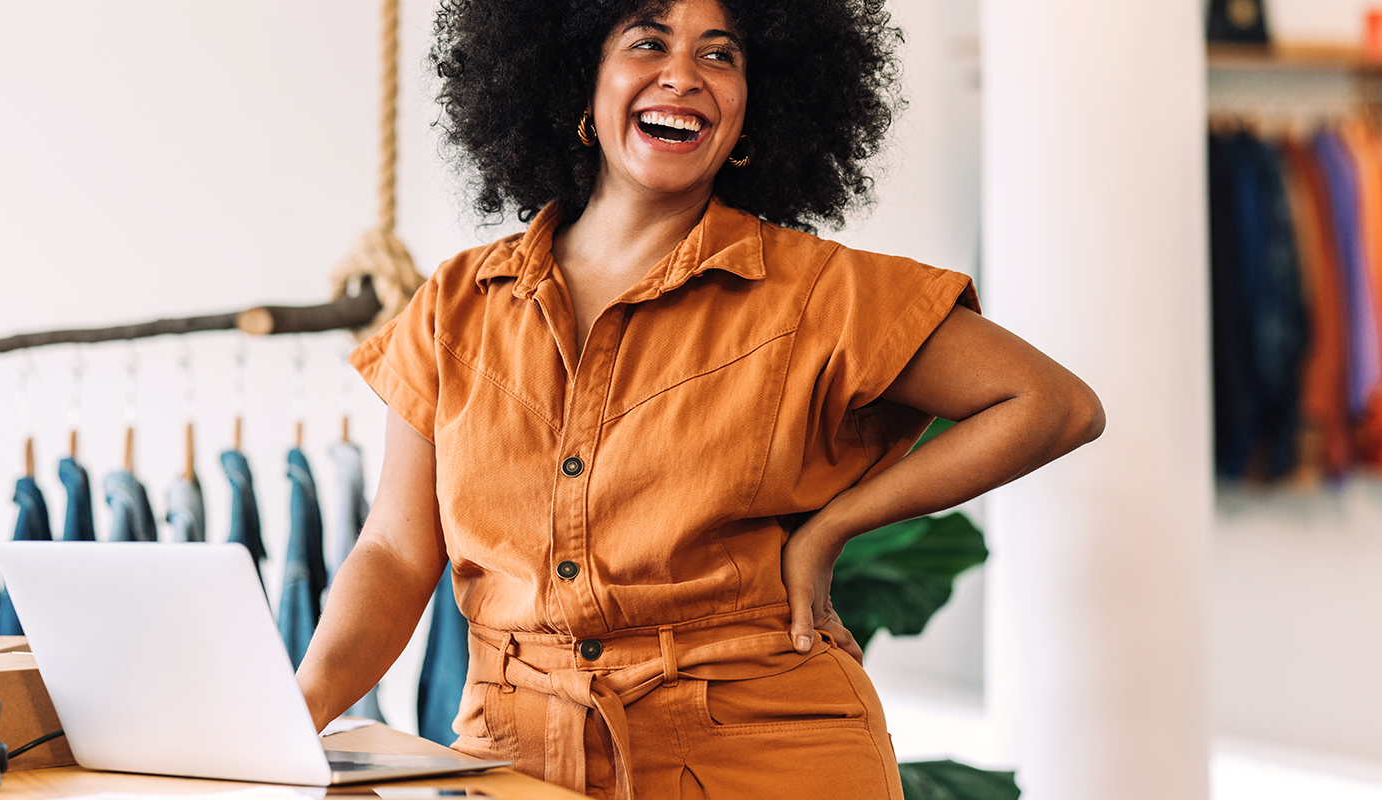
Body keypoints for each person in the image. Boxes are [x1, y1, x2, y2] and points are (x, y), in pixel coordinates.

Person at [296, 0, 1105, 797]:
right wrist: (295, 718)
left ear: (756, 107)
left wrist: (834, 527)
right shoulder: (455, 304)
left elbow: (1051, 403)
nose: (682, 76)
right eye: (648, 42)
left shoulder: (818, 294)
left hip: (763, 757)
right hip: (518, 760)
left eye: (721, 55)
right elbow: (397, 555)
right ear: (579, 76)